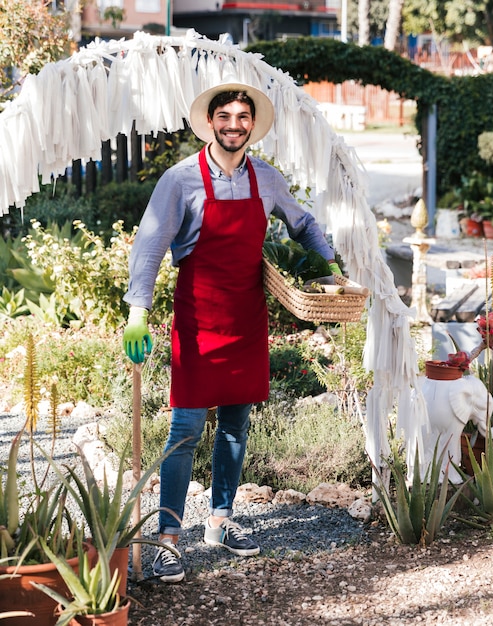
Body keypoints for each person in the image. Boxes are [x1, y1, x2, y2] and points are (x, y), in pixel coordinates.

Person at [122, 81, 338, 583]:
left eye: (244, 117)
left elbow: (303, 224)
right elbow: (151, 243)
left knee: (237, 425)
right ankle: (170, 540)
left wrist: (330, 272)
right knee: (185, 430)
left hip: (245, 317)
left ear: (251, 126)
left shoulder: (266, 177)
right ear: (211, 122)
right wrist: (138, 310)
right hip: (198, 318)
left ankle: (220, 521)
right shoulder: (180, 181)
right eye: (226, 117)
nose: (235, 125)